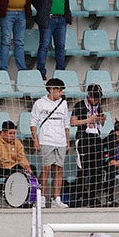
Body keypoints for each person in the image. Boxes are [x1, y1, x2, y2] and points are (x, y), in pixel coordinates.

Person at [29, 77, 70, 209]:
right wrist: (36, 140)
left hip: (61, 141)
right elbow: (33, 123)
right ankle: (41, 197)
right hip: (46, 139)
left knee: (59, 169)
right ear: (52, 89)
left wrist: (67, 141)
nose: (61, 93)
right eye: (59, 90)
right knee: (46, 169)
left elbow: (66, 123)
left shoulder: (63, 103)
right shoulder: (40, 103)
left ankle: (56, 198)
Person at [31, 0, 72, 77]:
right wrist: (43, 11)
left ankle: (60, 72)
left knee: (60, 46)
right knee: (44, 45)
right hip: (48, 19)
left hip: (61, 19)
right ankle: (41, 72)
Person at [70, 83, 108, 207]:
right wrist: (88, 120)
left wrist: (101, 120)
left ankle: (92, 197)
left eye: (98, 98)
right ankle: (79, 196)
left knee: (96, 169)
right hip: (83, 138)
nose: (96, 100)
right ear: (88, 95)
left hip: (96, 138)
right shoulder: (80, 105)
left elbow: (99, 124)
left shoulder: (98, 106)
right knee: (83, 169)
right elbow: (73, 122)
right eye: (94, 98)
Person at [0, 120, 33, 210]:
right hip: (0, 167)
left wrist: (26, 166)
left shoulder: (17, 142)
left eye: (14, 133)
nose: (12, 136)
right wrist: (0, 163)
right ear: (3, 133)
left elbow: (21, 157)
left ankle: (26, 199)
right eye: (10, 133)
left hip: (12, 167)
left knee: (32, 169)